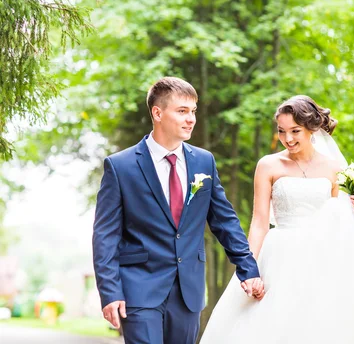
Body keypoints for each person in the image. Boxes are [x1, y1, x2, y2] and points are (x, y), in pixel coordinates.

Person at [200, 95, 354, 343]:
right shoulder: (268, 165)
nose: (288, 138)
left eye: (295, 131)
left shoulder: (334, 169)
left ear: (311, 128)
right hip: (279, 257)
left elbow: (336, 222)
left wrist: (348, 210)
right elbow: (259, 222)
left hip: (321, 259)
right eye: (281, 131)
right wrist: (248, 267)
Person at [92, 77, 265, 344]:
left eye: (193, 111)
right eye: (182, 111)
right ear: (157, 113)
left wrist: (248, 267)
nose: (191, 119)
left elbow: (224, 221)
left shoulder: (204, 162)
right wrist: (110, 291)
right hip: (139, 289)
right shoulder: (120, 166)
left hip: (189, 291)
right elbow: (105, 236)